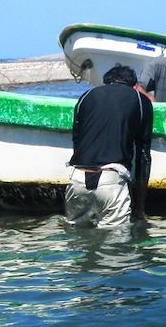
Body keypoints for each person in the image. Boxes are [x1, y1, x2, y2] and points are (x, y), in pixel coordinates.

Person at [65, 65, 153, 228]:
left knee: (76, 237)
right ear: (134, 86)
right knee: (114, 244)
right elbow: (143, 156)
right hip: (110, 179)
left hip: (77, 178)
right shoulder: (141, 100)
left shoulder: (86, 96)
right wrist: (139, 207)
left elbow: (77, 142)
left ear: (105, 83)